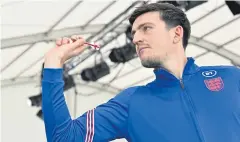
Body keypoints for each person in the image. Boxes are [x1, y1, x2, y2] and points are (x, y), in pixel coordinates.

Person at [42, 2, 240, 142]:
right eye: (133, 33)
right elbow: (63, 138)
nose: (136, 39)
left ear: (176, 33)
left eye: (146, 29)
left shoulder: (231, 77)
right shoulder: (130, 102)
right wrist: (53, 63)